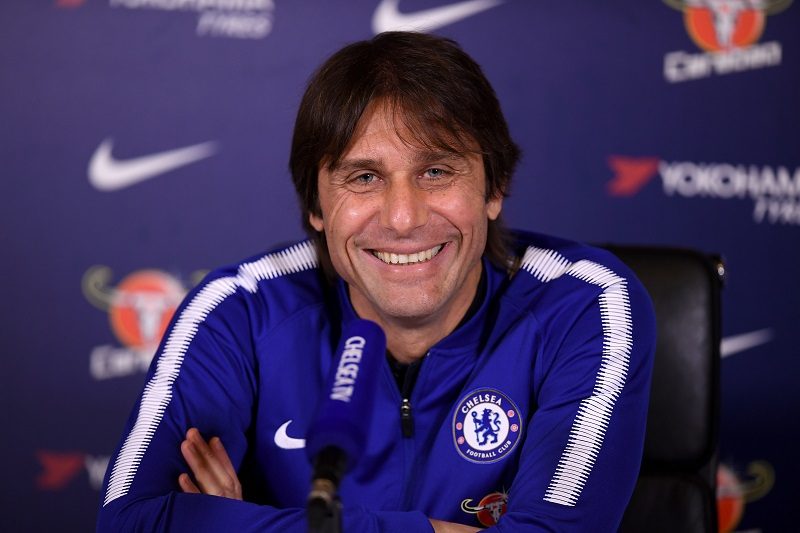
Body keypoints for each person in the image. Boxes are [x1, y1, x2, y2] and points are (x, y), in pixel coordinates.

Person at [97, 32, 655, 532]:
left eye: (436, 171)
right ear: (316, 206)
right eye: (364, 177)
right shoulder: (240, 312)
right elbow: (130, 523)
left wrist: (253, 526)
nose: (403, 218)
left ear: (494, 187)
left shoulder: (587, 304)